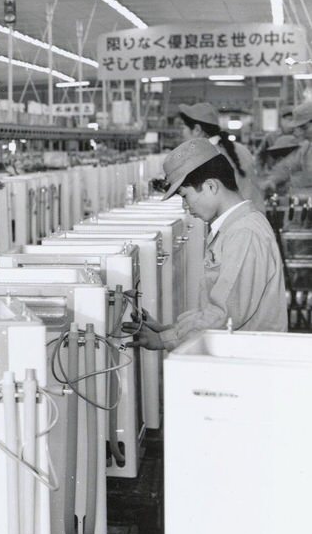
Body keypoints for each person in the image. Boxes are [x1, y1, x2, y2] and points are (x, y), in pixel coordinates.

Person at [133, 138, 287, 350]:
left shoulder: (244, 233)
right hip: (238, 351)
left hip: (250, 360)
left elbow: (226, 314)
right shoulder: (234, 228)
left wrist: (164, 340)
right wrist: (170, 329)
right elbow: (217, 306)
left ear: (211, 186)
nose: (186, 207)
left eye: (185, 196)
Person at [178, 101, 261, 209]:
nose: (181, 134)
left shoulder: (206, 157)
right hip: (255, 215)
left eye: (183, 128)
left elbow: (207, 203)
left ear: (197, 130)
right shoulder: (240, 149)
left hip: (236, 221)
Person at [263, 101, 312, 195]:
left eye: (304, 128)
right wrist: (272, 180)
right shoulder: (306, 148)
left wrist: (290, 182)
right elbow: (286, 166)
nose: (301, 133)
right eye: (300, 128)